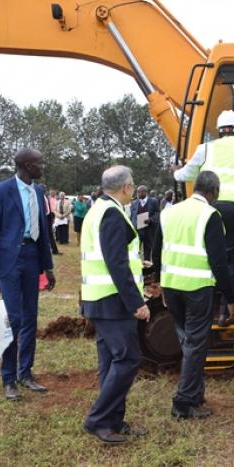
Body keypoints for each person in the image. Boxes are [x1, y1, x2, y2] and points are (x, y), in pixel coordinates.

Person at [152, 171, 234, 420]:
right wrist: (230, 299)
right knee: (196, 345)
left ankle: (195, 392)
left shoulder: (169, 212)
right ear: (214, 192)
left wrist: (160, 283)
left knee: (188, 340)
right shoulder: (210, 215)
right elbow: (219, 263)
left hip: (172, 286)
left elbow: (156, 251)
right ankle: (184, 402)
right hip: (197, 289)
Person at [174, 109, 234, 326]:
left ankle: (209, 306)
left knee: (210, 257)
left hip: (211, 209)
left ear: (218, 130)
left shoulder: (206, 148)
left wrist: (175, 172)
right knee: (232, 262)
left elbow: (186, 175)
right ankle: (227, 310)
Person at [79, 165, 150, 445]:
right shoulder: (111, 213)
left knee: (110, 361)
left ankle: (113, 421)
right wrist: (137, 303)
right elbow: (116, 263)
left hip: (100, 297)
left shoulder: (99, 209)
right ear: (126, 187)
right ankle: (98, 419)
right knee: (128, 358)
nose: (133, 189)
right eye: (132, 185)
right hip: (112, 300)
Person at [0, 148, 56, 400]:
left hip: (33, 258)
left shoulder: (37, 191)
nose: (43, 166)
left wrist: (48, 267)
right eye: (39, 162)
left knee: (30, 318)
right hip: (10, 260)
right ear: (25, 165)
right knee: (13, 320)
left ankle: (26, 373)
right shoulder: (2, 191)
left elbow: (44, 231)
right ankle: (8, 377)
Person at [130, 185, 160, 262]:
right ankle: (136, 266)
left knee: (148, 250)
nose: (138, 194)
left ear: (145, 192)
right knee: (135, 250)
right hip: (137, 231)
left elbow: (157, 214)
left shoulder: (153, 201)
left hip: (149, 230)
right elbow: (132, 216)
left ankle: (147, 269)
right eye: (137, 192)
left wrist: (150, 219)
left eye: (140, 192)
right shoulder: (134, 203)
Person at [39, 185, 60, 255]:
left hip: (48, 217)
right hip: (42, 218)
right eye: (43, 189)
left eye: (45, 189)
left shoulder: (46, 197)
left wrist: (52, 217)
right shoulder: (38, 198)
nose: (44, 190)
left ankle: (55, 251)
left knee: (50, 235)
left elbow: (49, 208)